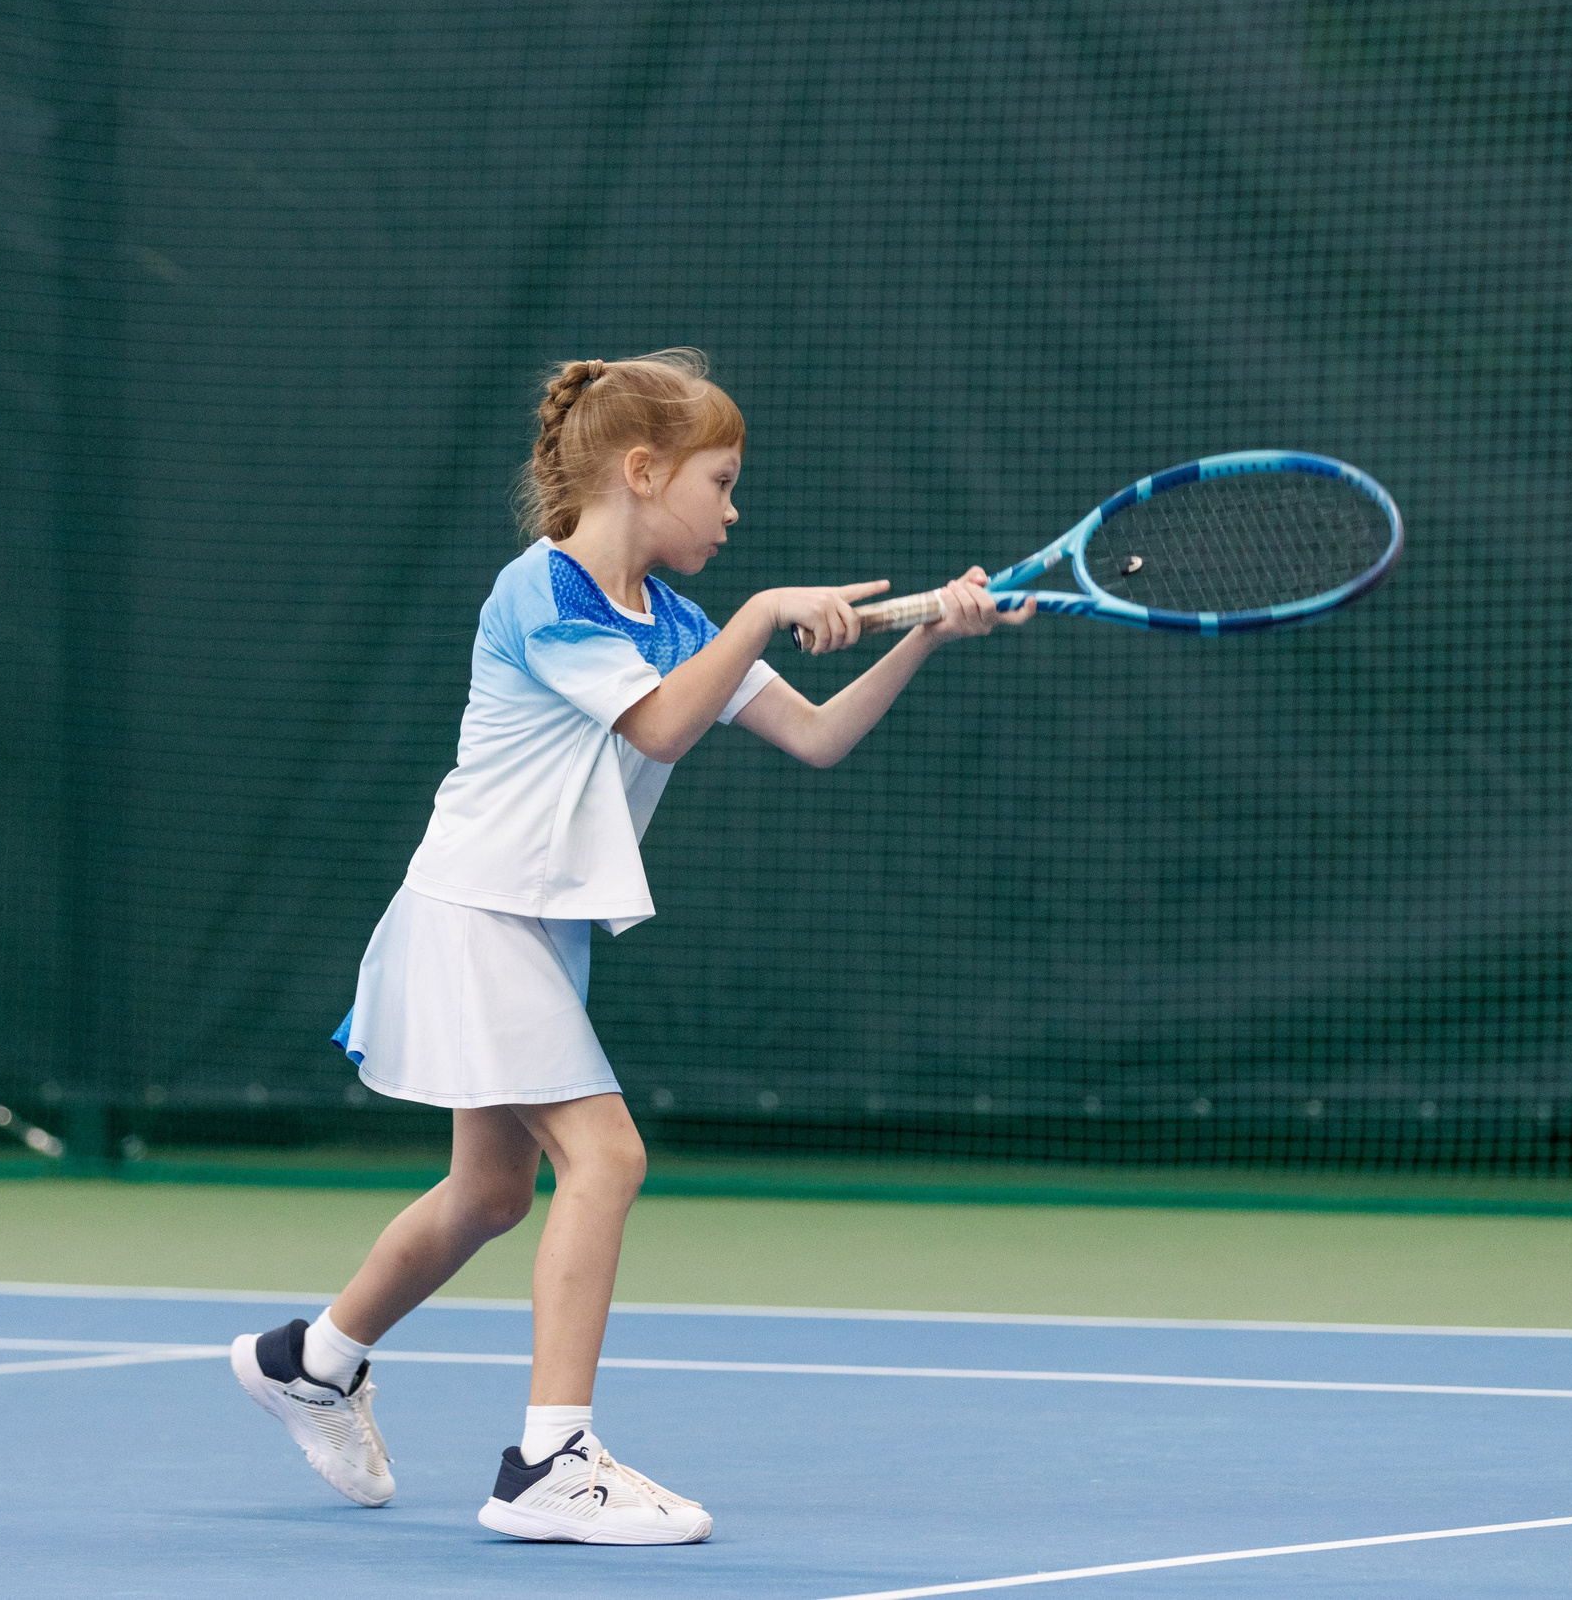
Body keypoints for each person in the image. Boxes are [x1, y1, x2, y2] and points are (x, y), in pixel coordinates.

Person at [228, 348, 1030, 1543]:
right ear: (643, 472)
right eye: (721, 479)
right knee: (605, 1159)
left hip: (535, 929)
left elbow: (813, 736)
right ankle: (550, 1461)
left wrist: (920, 636)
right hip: (473, 911)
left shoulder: (683, 620)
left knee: (490, 1191)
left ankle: (313, 1357)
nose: (732, 507)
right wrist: (767, 608)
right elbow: (659, 720)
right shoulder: (539, 592)